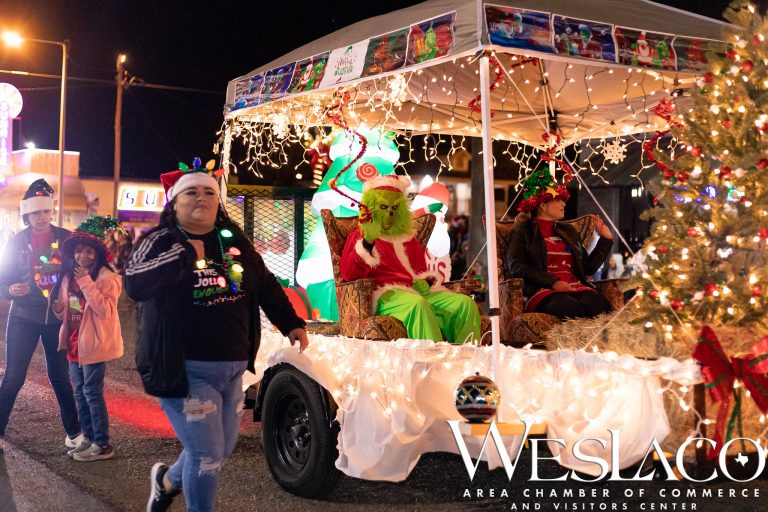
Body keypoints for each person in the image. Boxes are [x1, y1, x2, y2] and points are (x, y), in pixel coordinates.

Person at [124, 159, 308, 512]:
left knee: (219, 449)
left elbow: (265, 284)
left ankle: (166, 483)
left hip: (232, 368)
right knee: (207, 455)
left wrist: (290, 322)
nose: (201, 198)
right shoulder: (161, 240)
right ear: (174, 202)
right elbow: (134, 281)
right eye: (191, 192)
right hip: (185, 370)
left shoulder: (232, 240)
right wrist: (179, 255)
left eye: (209, 192)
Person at [341, 174, 481, 343]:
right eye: (384, 207)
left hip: (417, 291)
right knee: (417, 305)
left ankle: (468, 362)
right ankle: (431, 363)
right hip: (385, 294)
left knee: (465, 305)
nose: (390, 214)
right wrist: (368, 242)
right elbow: (348, 274)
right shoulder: (359, 235)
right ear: (372, 207)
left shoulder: (409, 238)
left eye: (395, 208)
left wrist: (424, 280)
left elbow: (419, 270)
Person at [0, 179, 81, 454]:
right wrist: (10, 289)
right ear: (27, 215)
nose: (41, 217)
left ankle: (75, 433)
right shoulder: (15, 243)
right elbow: (2, 281)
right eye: (35, 213)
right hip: (23, 316)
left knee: (60, 376)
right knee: (13, 377)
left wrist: (69, 306)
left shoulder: (67, 239)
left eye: (45, 211)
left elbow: (78, 278)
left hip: (56, 318)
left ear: (51, 212)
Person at [52, 216, 125, 461]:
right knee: (79, 393)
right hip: (74, 342)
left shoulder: (108, 279)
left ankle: (103, 444)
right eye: (79, 251)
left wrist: (85, 280)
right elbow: (72, 308)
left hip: (93, 343)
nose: (83, 256)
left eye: (89, 252)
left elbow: (104, 309)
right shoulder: (68, 277)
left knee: (92, 393)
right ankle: (88, 438)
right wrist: (60, 310)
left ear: (98, 254)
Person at [506, 170, 613, 320]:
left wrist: (606, 240)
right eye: (558, 200)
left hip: (575, 287)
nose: (564, 203)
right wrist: (553, 282)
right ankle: (571, 343)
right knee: (570, 308)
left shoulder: (567, 231)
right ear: (542, 204)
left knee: (600, 306)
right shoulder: (523, 230)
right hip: (543, 290)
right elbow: (516, 266)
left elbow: (588, 268)